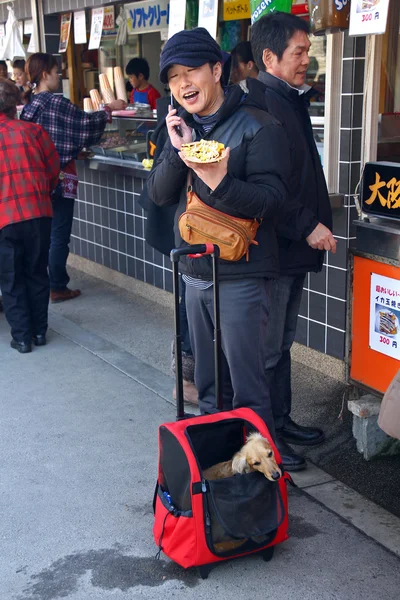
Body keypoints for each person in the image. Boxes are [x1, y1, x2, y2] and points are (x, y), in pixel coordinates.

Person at [147, 28, 292, 435]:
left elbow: (273, 201)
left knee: (248, 389)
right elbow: (158, 195)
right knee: (209, 389)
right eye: (174, 77)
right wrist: (181, 151)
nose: (182, 84)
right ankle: (217, 476)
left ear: (216, 69)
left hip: (242, 276)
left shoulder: (258, 126)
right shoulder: (181, 127)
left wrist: (221, 180)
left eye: (191, 71)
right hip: (195, 273)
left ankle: (257, 483)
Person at [250, 12, 337, 470]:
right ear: (270, 57)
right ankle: (265, 442)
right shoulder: (261, 102)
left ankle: (280, 422)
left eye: (307, 51)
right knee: (266, 350)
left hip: (293, 248)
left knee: (281, 343)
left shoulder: (288, 97)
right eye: (299, 53)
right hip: (276, 249)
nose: (307, 60)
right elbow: (272, 189)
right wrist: (307, 225)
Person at [20, 53, 126, 303]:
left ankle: (43, 281)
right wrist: (109, 108)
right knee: (59, 233)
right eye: (56, 72)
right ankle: (57, 285)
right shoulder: (57, 103)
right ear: (45, 74)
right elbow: (85, 125)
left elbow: (50, 139)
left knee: (44, 233)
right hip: (60, 177)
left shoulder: (30, 106)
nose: (59, 76)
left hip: (38, 180)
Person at [0, 79, 59, 353]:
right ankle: (39, 333)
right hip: (38, 213)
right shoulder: (34, 131)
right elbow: (53, 170)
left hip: (4, 219)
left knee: (11, 278)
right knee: (37, 272)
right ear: (14, 103)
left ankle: (22, 338)